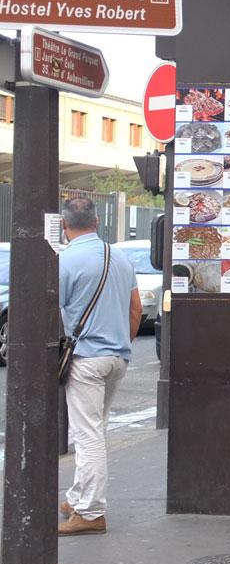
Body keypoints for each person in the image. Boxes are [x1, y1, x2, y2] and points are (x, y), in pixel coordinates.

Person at [56, 196, 140, 536]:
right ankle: (77, 497)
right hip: (117, 357)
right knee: (94, 430)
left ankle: (90, 512)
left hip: (86, 360)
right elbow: (136, 309)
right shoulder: (118, 256)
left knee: (87, 436)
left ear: (64, 225)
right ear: (97, 222)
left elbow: (52, 308)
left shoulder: (66, 260)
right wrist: (121, 343)